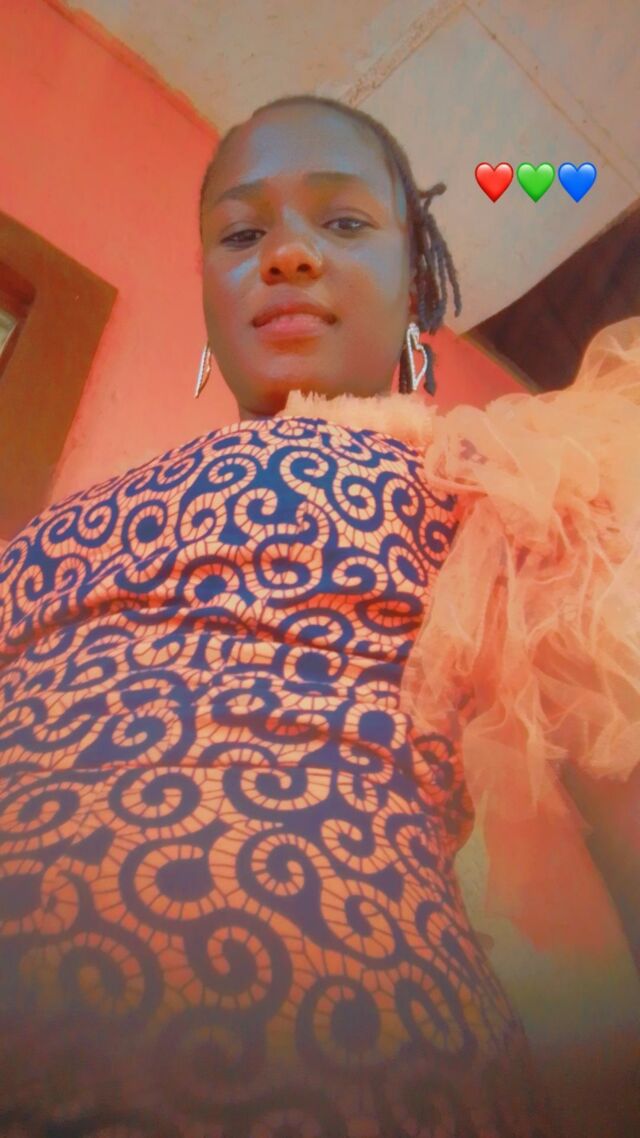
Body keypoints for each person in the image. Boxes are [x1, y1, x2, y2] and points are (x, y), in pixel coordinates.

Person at [0, 93, 638, 1138]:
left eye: (343, 222)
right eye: (239, 233)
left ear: (414, 278)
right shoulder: (65, 520)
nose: (287, 253)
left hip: (331, 1052)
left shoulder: (490, 473)